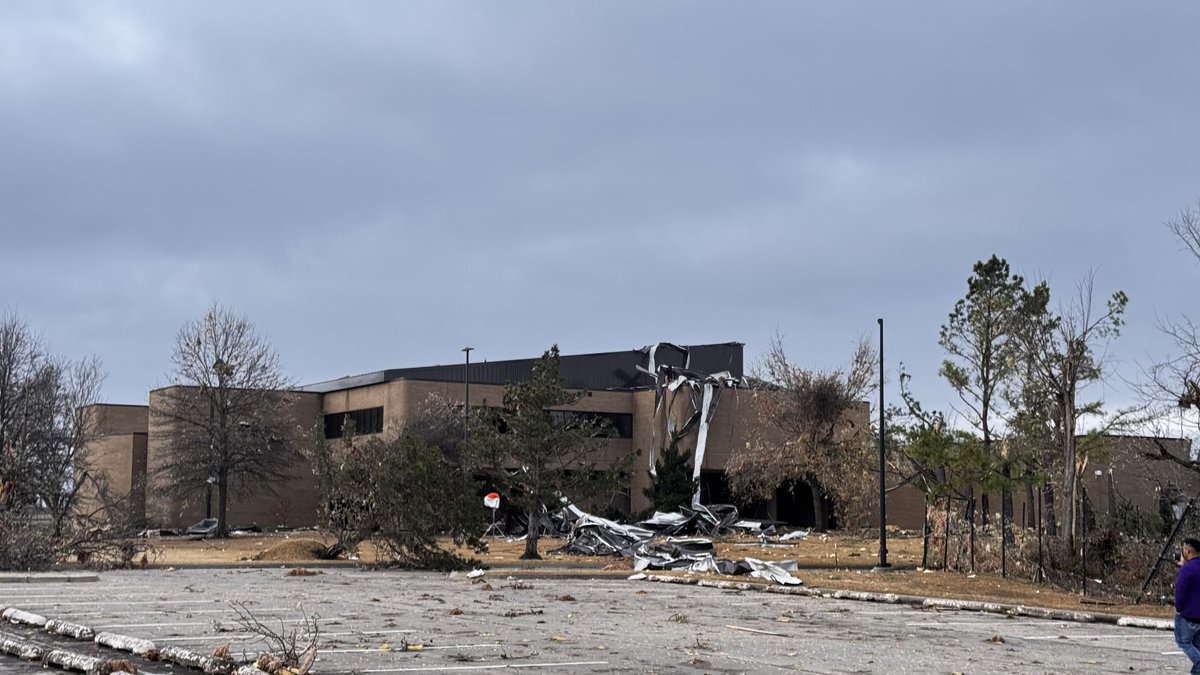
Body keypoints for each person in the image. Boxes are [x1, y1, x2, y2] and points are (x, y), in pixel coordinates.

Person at [1176, 538, 1200, 674]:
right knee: (1197, 645)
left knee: (1183, 642)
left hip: (1188, 615)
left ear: (1188, 551)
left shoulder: (1187, 569)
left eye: (1183, 549)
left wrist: (1179, 608)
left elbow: (1181, 590)